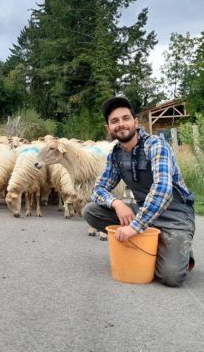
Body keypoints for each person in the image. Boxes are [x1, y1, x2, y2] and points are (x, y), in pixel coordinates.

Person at [83, 96, 196, 287]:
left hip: (175, 215)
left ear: (135, 121)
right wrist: (117, 203)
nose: (121, 124)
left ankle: (179, 249)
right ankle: (154, 241)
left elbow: (162, 189)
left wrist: (134, 227)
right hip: (145, 211)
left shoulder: (156, 145)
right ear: (108, 128)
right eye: (114, 121)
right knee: (91, 211)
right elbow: (98, 189)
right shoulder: (115, 155)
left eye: (125, 118)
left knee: (171, 277)